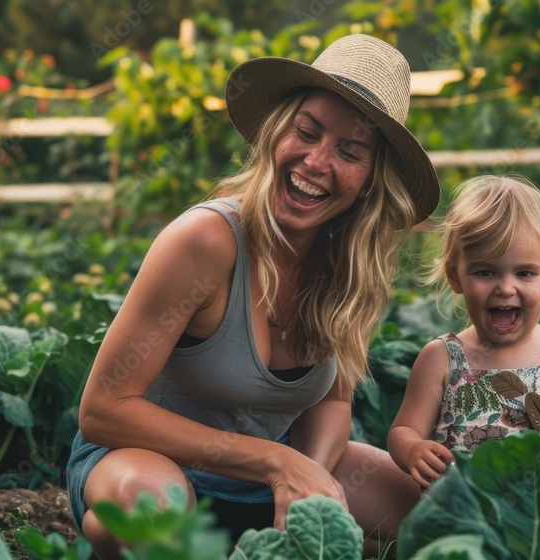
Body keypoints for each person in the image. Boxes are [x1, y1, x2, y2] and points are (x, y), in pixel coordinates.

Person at [67, 34, 439, 558]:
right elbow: (104, 410)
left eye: (349, 152)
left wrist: (307, 488)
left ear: (370, 180)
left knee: (440, 514)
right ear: (276, 131)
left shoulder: (350, 265)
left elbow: (333, 403)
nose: (315, 162)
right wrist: (276, 463)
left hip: (265, 481)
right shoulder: (205, 241)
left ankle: (243, 540)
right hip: (146, 461)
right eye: (306, 132)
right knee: (148, 513)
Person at [387, 175, 540, 490]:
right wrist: (413, 450)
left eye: (525, 273)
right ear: (455, 277)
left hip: (538, 511)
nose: (505, 287)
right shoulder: (441, 360)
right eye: (485, 272)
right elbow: (403, 430)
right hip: (461, 512)